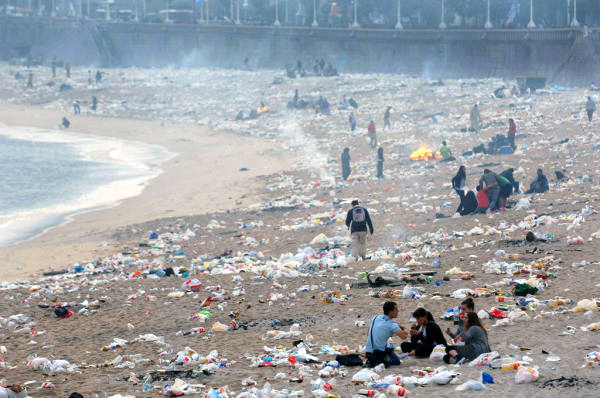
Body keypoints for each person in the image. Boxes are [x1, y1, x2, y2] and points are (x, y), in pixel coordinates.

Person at [365, 302, 409, 368]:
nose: (398, 311)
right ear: (390, 312)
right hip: (378, 353)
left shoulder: (375, 318)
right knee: (396, 361)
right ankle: (378, 363)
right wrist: (405, 328)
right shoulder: (392, 324)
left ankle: (374, 361)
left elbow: (368, 333)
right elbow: (404, 336)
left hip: (368, 352)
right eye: (396, 309)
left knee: (388, 349)